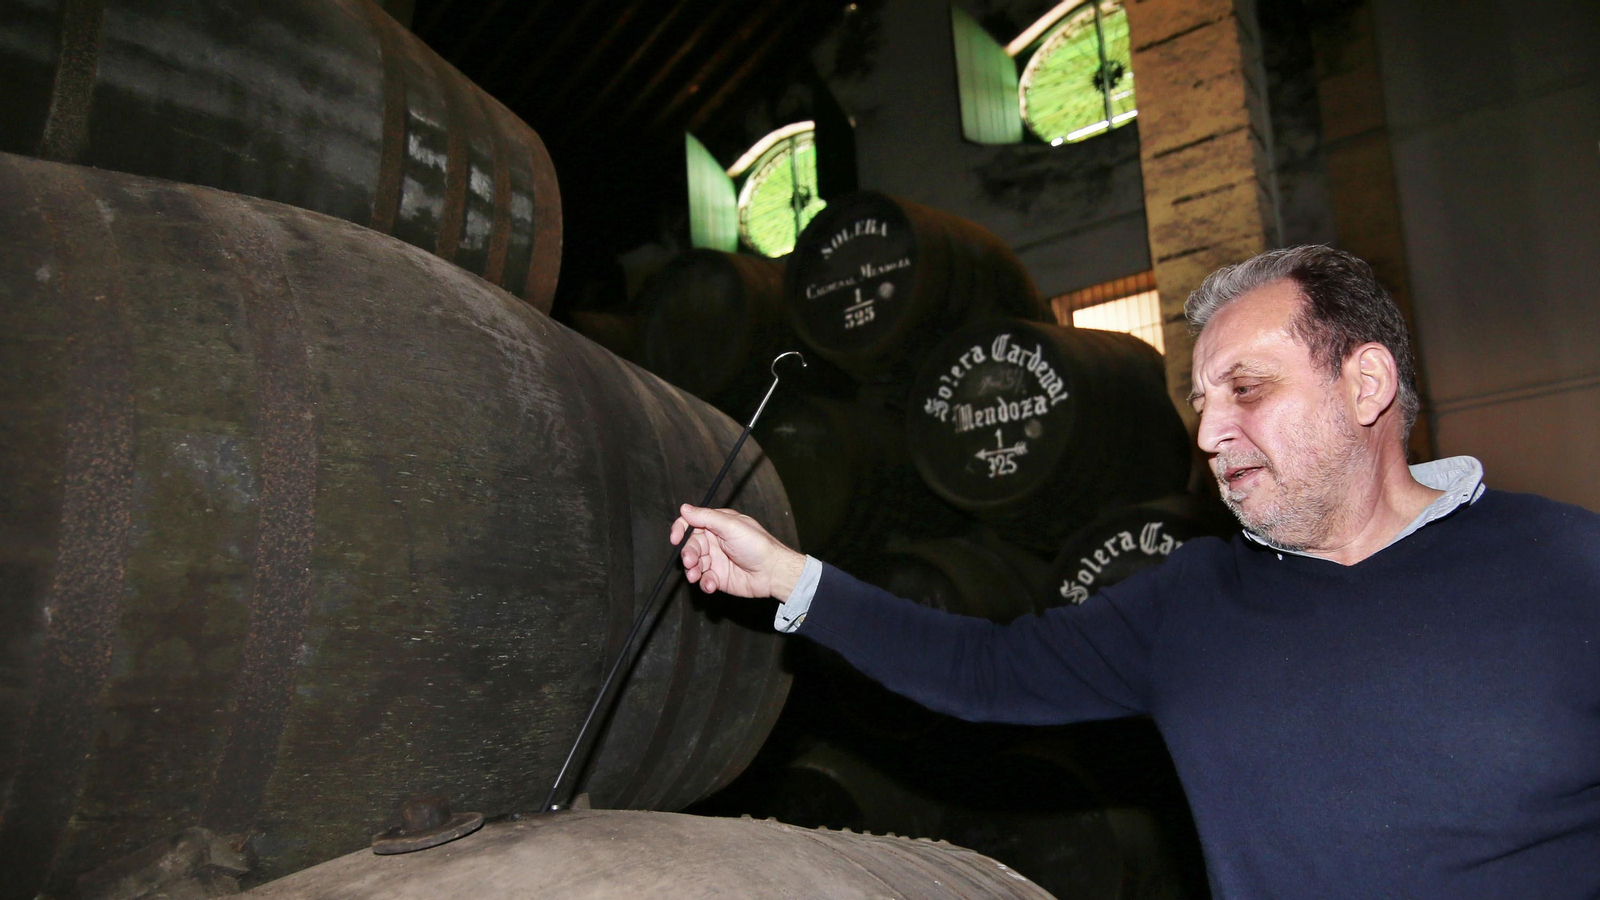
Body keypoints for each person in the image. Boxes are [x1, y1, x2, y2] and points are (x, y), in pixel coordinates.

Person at [671, 245, 1600, 899]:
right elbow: (985, 670)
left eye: (1247, 388)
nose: (1210, 432)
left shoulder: (1567, 568)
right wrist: (793, 579)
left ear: (1365, 385)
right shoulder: (1191, 603)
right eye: (1200, 400)